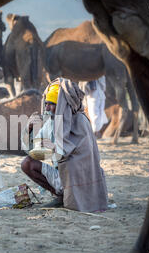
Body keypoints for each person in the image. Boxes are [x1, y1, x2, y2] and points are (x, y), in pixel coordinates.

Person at [21, 78, 108, 213]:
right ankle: (59, 196)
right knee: (27, 163)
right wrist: (29, 130)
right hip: (62, 175)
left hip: (80, 178)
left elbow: (74, 156)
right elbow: (32, 150)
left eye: (52, 104)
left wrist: (53, 147)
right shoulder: (53, 121)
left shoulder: (80, 121)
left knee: (70, 165)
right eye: (47, 103)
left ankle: (70, 197)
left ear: (63, 104)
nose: (47, 108)